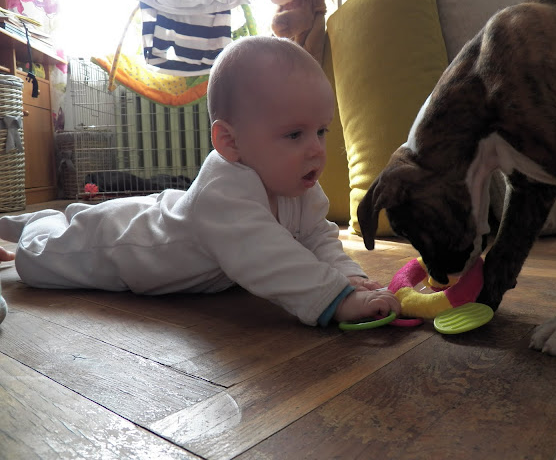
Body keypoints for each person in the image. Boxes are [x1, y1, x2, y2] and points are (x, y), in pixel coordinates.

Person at [0, 36, 399, 326]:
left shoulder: (298, 184)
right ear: (230, 142)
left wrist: (349, 276)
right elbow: (267, 255)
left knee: (89, 215)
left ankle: (54, 217)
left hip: (169, 211)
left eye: (321, 131)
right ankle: (36, 222)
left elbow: (318, 236)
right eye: (295, 134)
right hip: (124, 245)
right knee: (39, 259)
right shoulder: (226, 191)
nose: (316, 150)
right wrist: (337, 298)